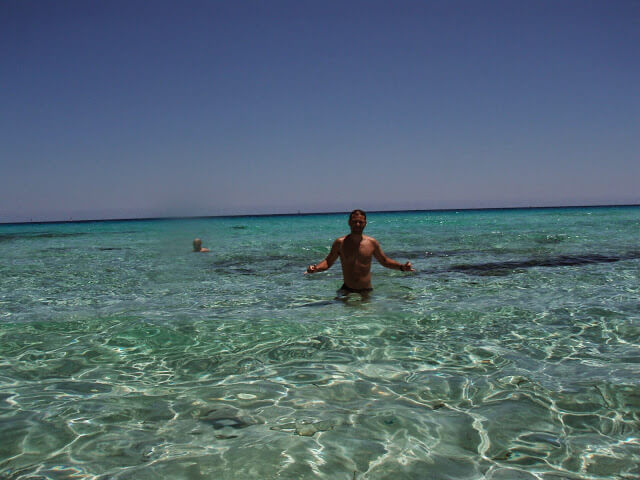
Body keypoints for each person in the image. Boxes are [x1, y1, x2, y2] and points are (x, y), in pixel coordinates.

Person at [305, 209, 414, 294]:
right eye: (354, 222)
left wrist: (402, 267)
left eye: (360, 222)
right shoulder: (340, 243)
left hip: (366, 290)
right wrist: (316, 268)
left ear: (365, 223)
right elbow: (328, 262)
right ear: (349, 222)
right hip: (346, 289)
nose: (357, 224)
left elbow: (384, 261)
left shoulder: (372, 243)